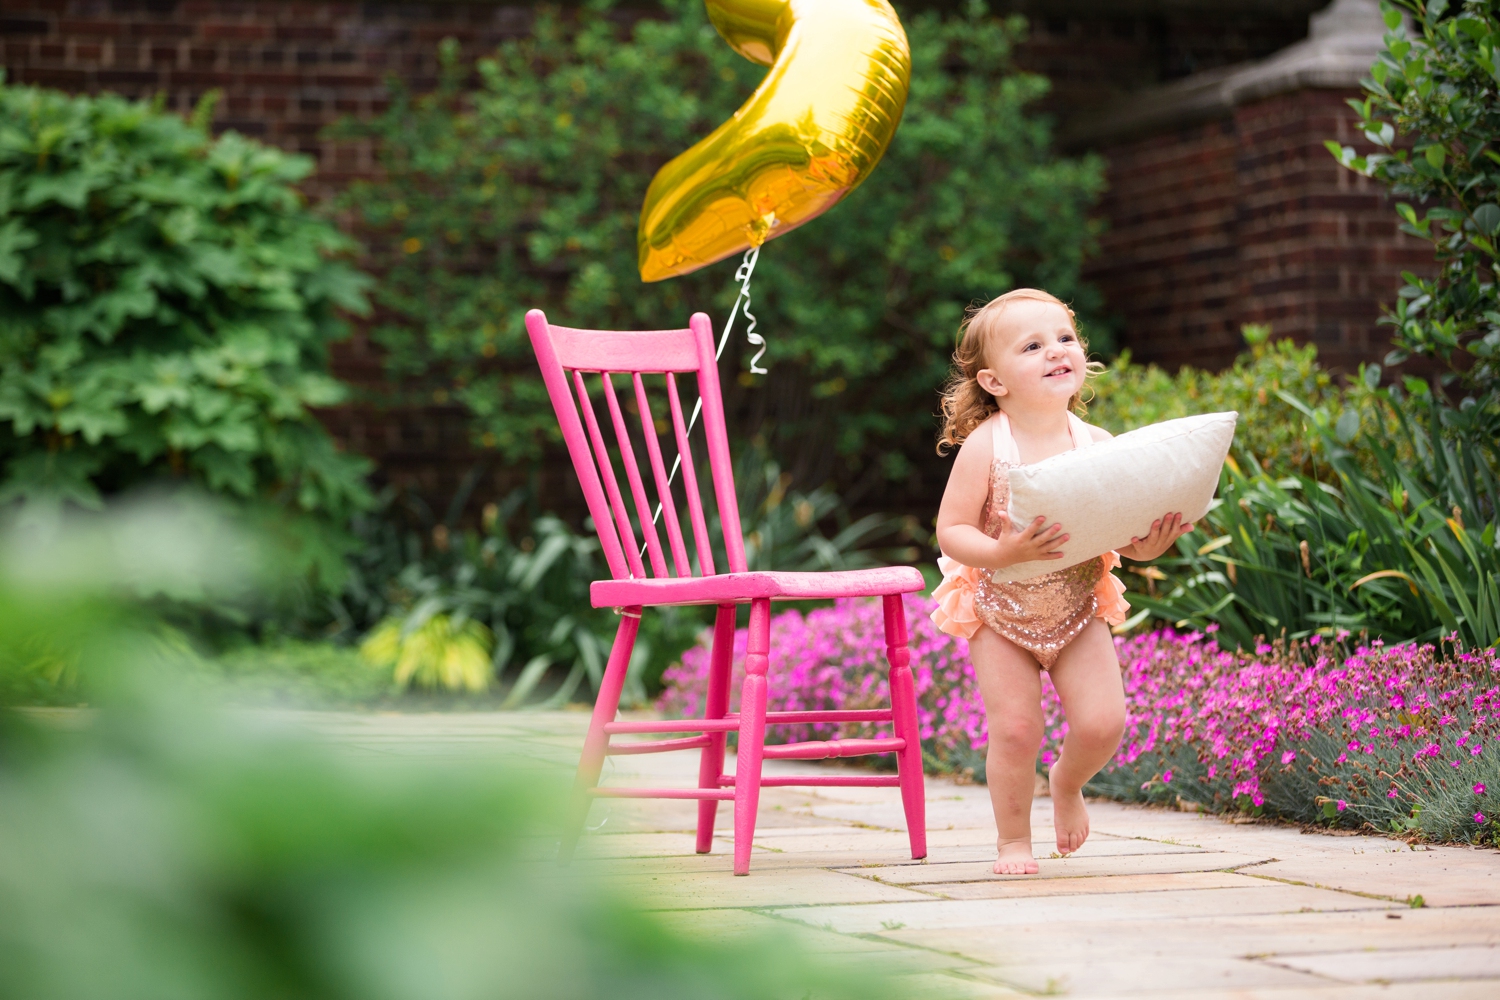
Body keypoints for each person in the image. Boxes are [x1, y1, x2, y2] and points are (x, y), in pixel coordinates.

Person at [931, 289, 1190, 875]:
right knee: (1017, 730)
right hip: (1000, 608)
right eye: (1033, 345)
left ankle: (1067, 782)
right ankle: (1013, 841)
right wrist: (1000, 550)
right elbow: (950, 530)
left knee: (1104, 723)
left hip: (1075, 605)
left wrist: (1144, 545)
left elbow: (1118, 528)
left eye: (1065, 338)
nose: (1056, 351)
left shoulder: (1096, 446)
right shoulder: (987, 445)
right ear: (995, 382)